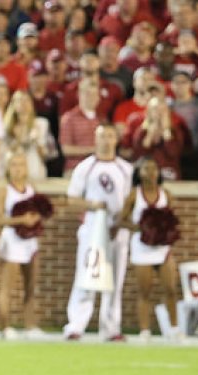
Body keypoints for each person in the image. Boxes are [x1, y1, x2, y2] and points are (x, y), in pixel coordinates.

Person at [63, 124, 133, 341]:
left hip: (117, 229)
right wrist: (92, 205)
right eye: (102, 136)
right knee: (86, 275)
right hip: (93, 228)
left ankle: (111, 327)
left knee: (115, 279)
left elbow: (131, 200)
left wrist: (120, 222)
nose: (106, 140)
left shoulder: (126, 169)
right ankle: (76, 325)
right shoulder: (85, 167)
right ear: (95, 139)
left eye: (110, 136)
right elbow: (72, 200)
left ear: (116, 139)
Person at [119, 157, 180, 340]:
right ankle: (145, 330)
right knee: (145, 291)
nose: (151, 173)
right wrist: (139, 228)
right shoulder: (134, 195)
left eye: (154, 169)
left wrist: (165, 231)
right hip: (142, 247)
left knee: (170, 288)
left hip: (162, 248)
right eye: (146, 169)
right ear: (139, 173)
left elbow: (172, 219)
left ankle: (174, 328)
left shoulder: (166, 194)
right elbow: (122, 219)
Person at [0, 148, 44, 339]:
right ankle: (5, 327)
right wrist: (20, 220)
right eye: (14, 165)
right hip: (11, 240)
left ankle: (30, 326)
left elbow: (39, 212)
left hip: (29, 240)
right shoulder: (3, 191)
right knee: (7, 286)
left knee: (30, 285)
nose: (18, 169)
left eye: (21, 164)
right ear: (7, 168)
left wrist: (34, 219)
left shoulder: (32, 190)